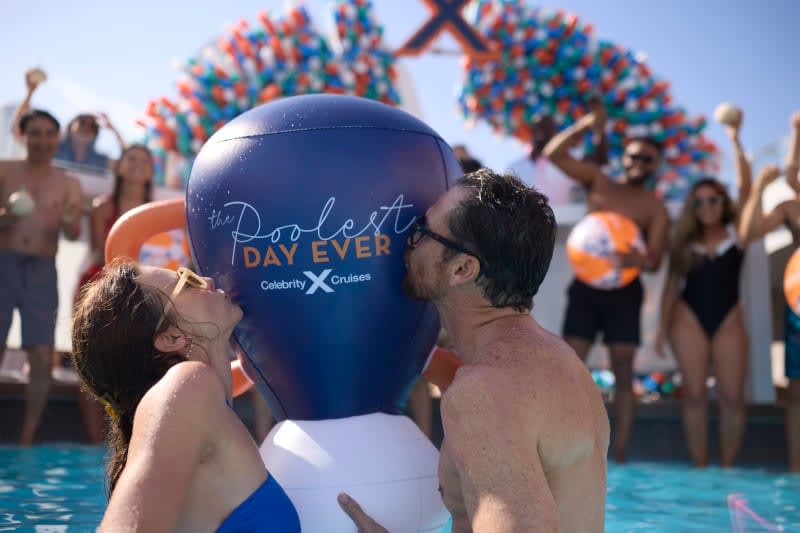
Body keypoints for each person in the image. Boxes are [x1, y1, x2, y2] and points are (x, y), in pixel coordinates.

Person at [341, 169, 610, 532]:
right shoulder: (561, 362)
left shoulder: (484, 392)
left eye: (423, 230)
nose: (408, 239)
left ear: (463, 268)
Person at [72, 262, 301, 531]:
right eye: (188, 282)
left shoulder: (203, 408)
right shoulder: (188, 388)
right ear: (171, 337)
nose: (207, 280)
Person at [543, 106, 670, 463]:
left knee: (624, 371)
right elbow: (554, 154)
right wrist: (584, 124)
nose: (640, 163)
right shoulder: (600, 181)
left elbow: (656, 259)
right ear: (625, 155)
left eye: (648, 160)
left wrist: (639, 260)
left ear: (655, 166)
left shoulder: (653, 208)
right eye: (635, 156)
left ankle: (621, 453)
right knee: (570, 364)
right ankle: (559, 445)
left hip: (625, 294)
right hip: (586, 288)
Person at [656, 108, 755, 467]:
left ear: (722, 202)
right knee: (694, 396)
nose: (707, 207)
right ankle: (700, 465)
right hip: (687, 318)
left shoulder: (737, 234)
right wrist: (658, 330)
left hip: (728, 317)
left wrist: (735, 139)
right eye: (698, 203)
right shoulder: (684, 242)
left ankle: (727, 466)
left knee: (732, 398)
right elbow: (670, 286)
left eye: (713, 200)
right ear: (692, 209)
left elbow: (747, 187)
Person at [0, 109, 83, 445]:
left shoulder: (68, 183)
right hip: (4, 261)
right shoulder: (6, 170)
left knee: (40, 352)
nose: (43, 140)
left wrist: (69, 219)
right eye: (35, 133)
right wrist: (7, 215)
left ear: (57, 138)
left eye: (49, 133)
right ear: (24, 136)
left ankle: (27, 436)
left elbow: (74, 234)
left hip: (42, 270)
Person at [68, 144, 155, 443]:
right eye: (131, 158)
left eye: (144, 160)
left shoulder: (153, 211)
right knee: (91, 361)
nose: (137, 165)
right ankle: (94, 440)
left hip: (139, 291)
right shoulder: (103, 207)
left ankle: (131, 437)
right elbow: (97, 252)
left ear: (150, 171)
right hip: (99, 284)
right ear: (119, 166)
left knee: (137, 362)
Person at [740, 110, 800, 472]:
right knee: (796, 392)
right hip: (798, 306)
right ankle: (796, 471)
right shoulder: (792, 207)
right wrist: (761, 189)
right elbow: (749, 234)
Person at [11, 68, 124, 172]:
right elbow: (18, 130)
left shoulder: (101, 160)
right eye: (82, 121)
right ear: (71, 125)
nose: (86, 127)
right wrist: (30, 92)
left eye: (93, 126)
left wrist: (113, 130)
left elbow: (131, 163)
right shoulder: (50, 147)